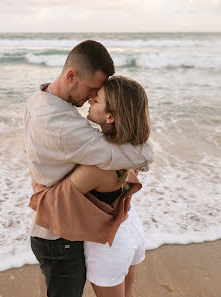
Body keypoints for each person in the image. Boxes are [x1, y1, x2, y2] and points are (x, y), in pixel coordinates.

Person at [24, 40, 152, 297]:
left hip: (65, 229)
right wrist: (146, 148)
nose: (92, 96)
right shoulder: (64, 127)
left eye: (98, 94)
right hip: (60, 237)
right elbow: (140, 155)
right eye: (92, 89)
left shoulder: (40, 99)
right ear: (71, 76)